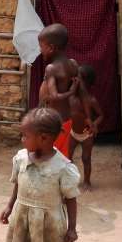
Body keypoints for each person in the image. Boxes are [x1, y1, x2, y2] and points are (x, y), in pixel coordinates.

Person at [0, 107, 80, 242]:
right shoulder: (21, 158)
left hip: (49, 222)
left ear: (43, 138)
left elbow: (71, 198)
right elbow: (18, 184)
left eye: (25, 136)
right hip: (23, 217)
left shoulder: (62, 167)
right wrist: (9, 206)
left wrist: (72, 228)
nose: (22, 139)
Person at [37, 23, 80, 158]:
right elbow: (78, 88)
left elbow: (54, 96)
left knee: (53, 157)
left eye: (41, 46)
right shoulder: (73, 64)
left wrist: (70, 92)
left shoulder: (51, 68)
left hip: (54, 122)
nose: (40, 50)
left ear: (51, 48)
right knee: (64, 156)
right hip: (67, 119)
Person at [68, 64, 104, 190]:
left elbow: (101, 115)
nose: (74, 79)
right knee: (67, 157)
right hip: (72, 133)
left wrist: (94, 124)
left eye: (78, 77)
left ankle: (87, 182)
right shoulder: (71, 97)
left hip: (86, 134)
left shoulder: (91, 100)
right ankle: (69, 179)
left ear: (86, 82)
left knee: (86, 158)